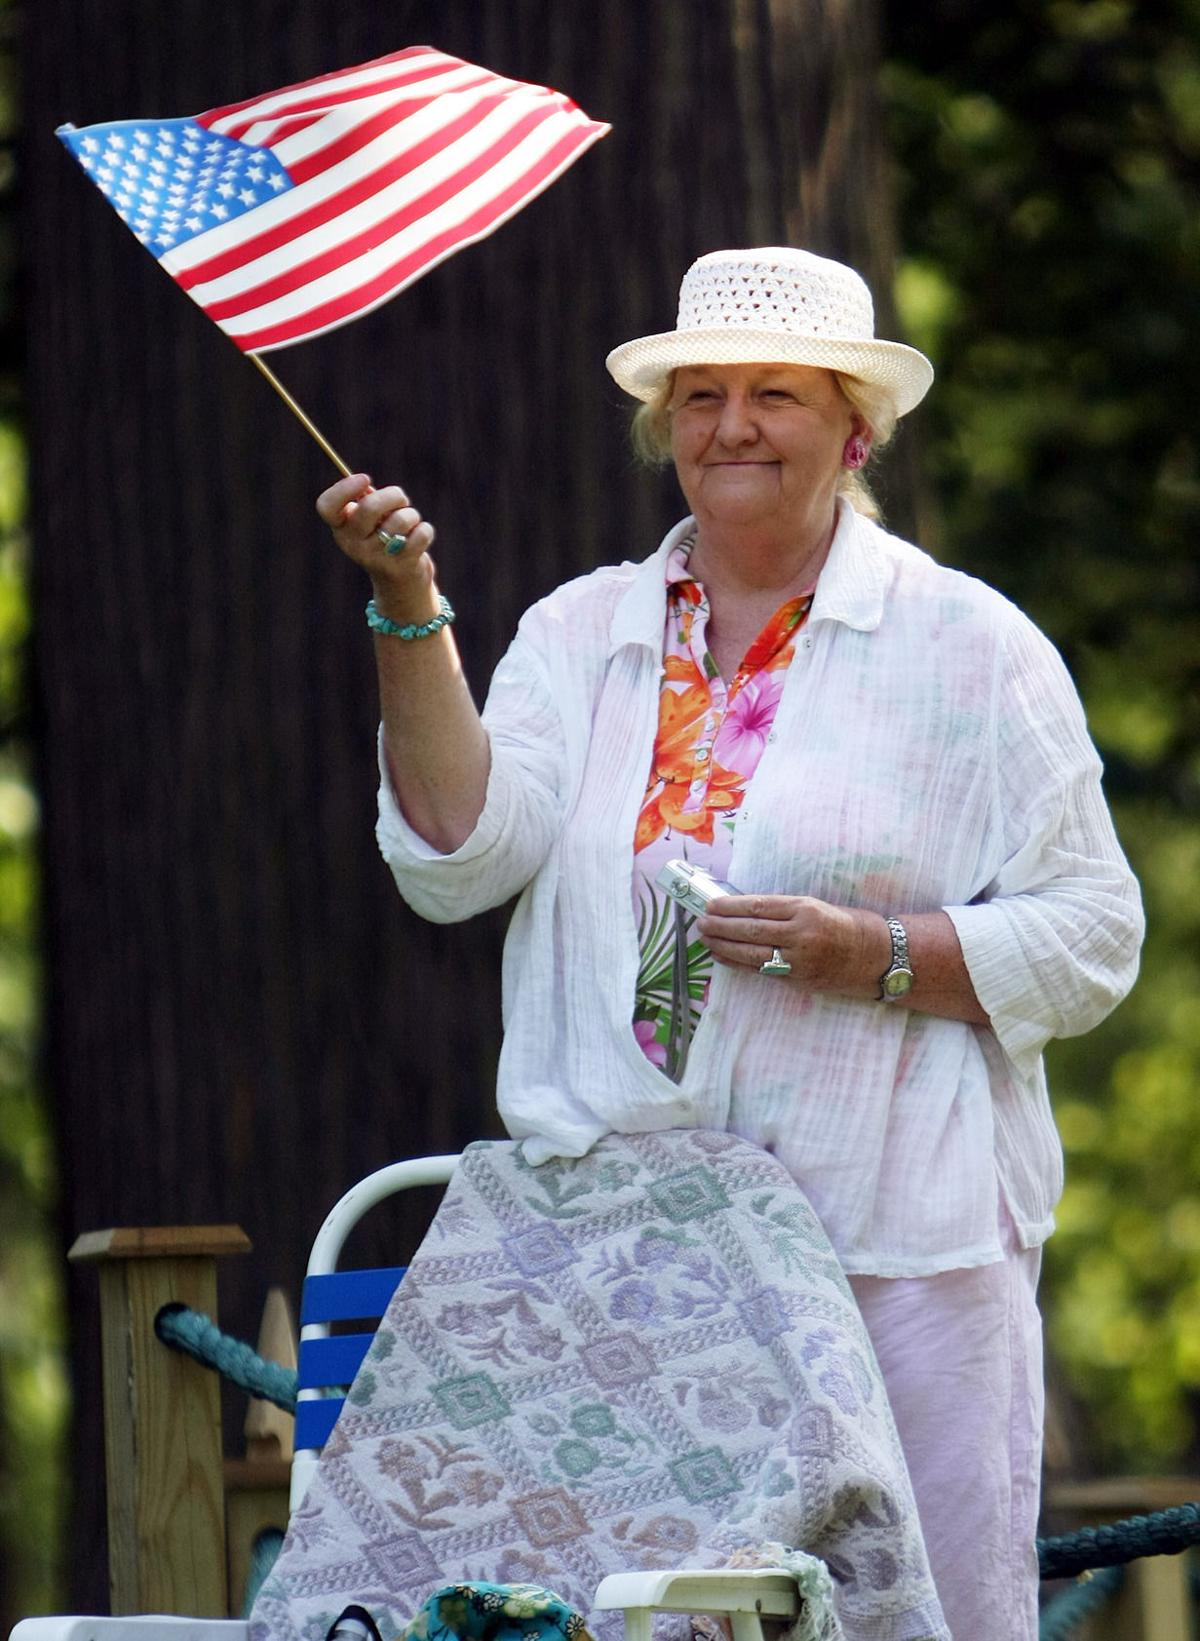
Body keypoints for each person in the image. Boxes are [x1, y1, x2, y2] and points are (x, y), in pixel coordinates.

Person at [316, 247, 1144, 1641]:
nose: (732, 426)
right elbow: (460, 856)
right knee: (630, 1618)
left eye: (775, 394)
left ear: (855, 428)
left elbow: (1094, 934)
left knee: (917, 1614)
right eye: (700, 397)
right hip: (636, 1259)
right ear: (666, 430)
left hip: (894, 1233)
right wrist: (410, 608)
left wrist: (872, 953)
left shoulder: (968, 646)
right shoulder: (581, 631)